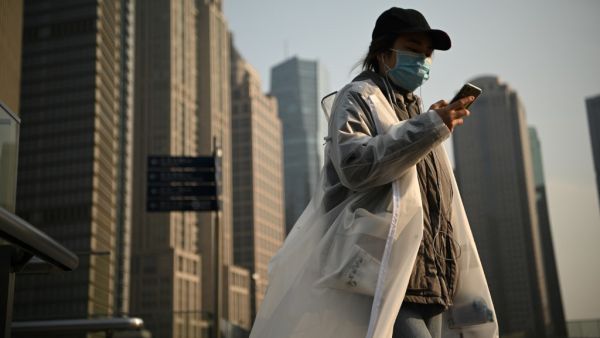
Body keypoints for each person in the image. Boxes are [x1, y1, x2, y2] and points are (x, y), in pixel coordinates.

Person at [249, 7, 498, 338]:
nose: (423, 59)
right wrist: (429, 127)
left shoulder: (420, 115)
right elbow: (356, 166)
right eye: (413, 48)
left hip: (432, 281)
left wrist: (428, 124)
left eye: (428, 53)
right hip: (379, 278)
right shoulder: (357, 97)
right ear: (383, 53)